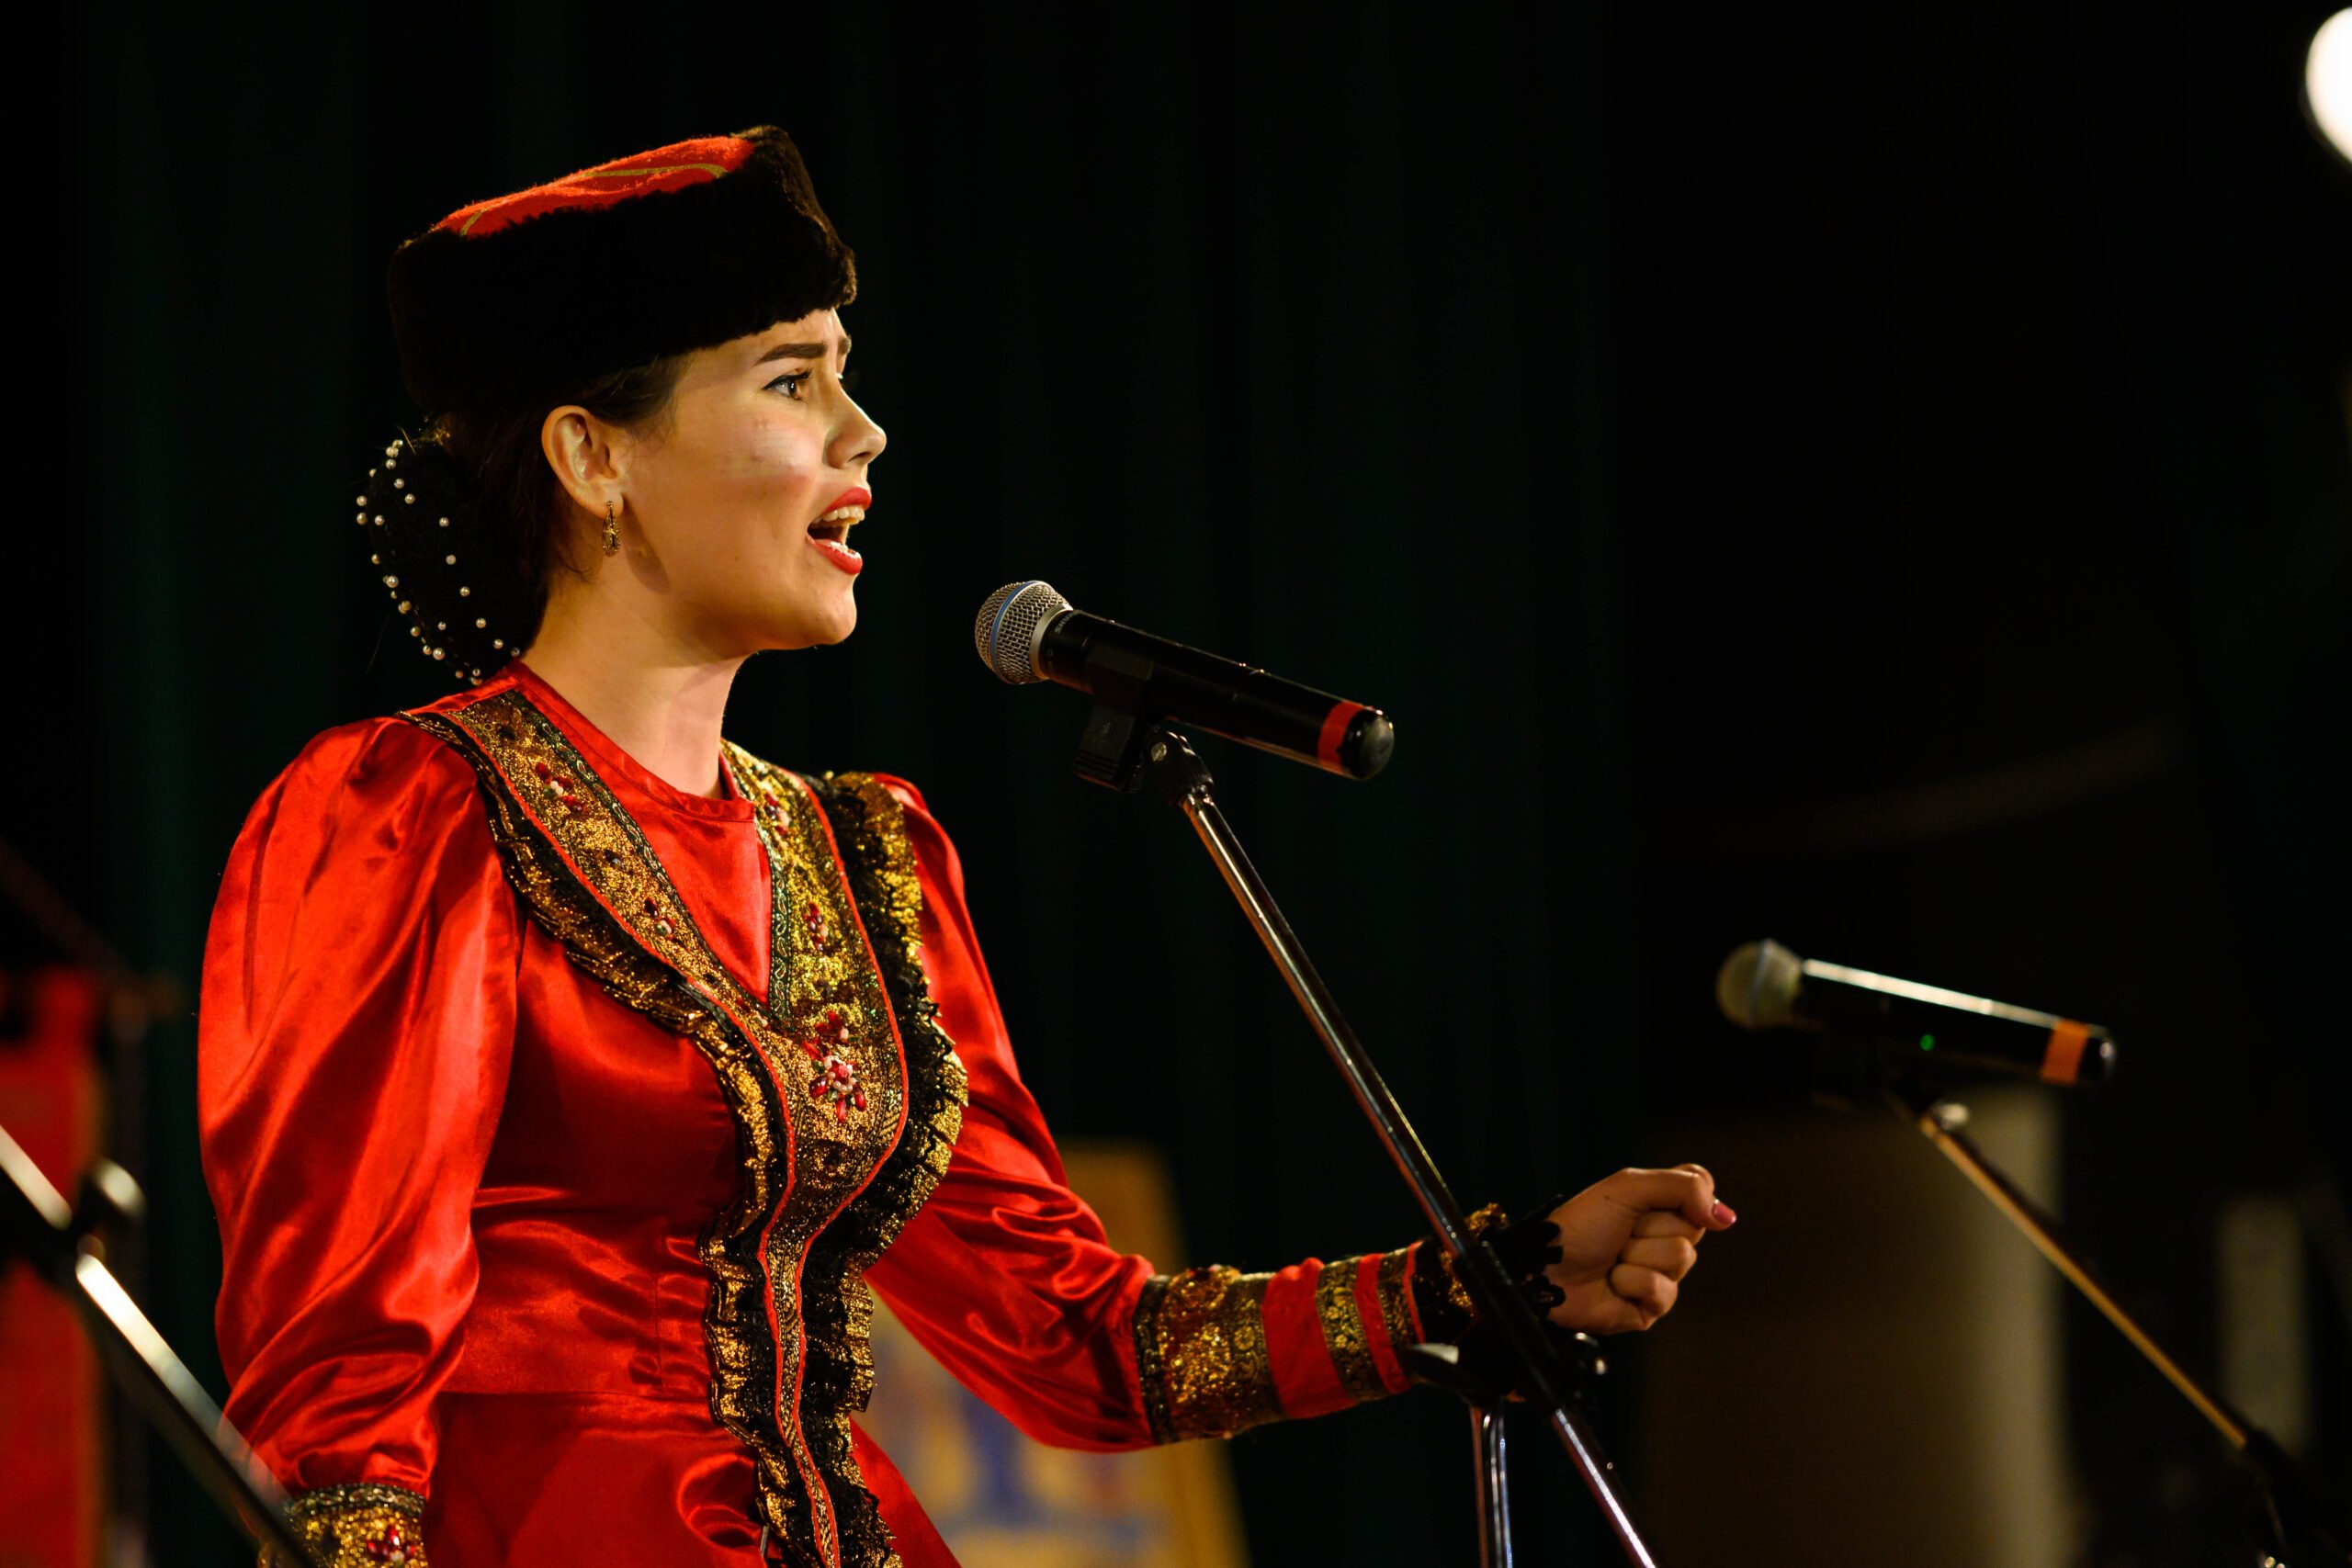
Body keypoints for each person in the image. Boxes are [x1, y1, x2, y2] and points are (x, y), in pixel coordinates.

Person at [197, 127, 1736, 1568]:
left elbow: (1081, 1346)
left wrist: (1480, 1284)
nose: (862, 431)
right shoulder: (410, 811)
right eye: (791, 380)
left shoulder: (863, 853)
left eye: (845, 374)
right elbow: (334, 1395)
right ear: (593, 457)